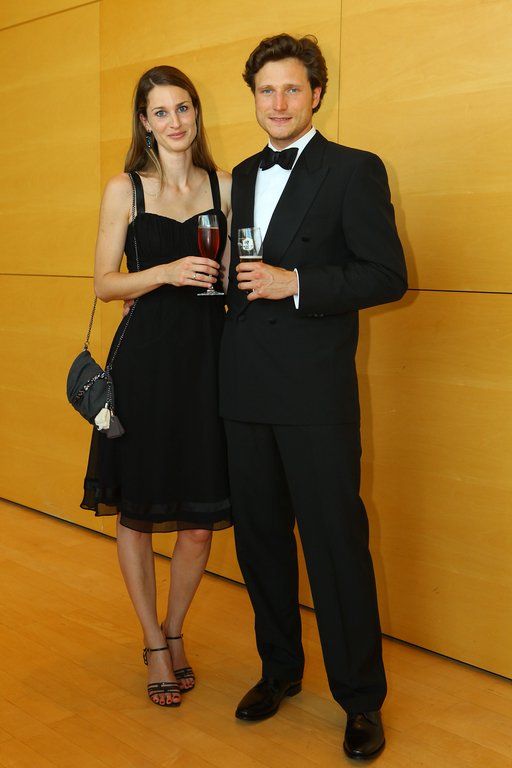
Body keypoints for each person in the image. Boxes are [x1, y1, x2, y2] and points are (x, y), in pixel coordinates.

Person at [219, 34, 407, 759]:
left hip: (315, 396)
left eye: (292, 88)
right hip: (244, 388)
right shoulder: (241, 173)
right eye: (266, 90)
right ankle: (279, 671)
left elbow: (385, 275)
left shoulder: (354, 169)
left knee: (335, 547)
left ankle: (360, 700)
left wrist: (296, 283)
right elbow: (240, 273)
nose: (278, 102)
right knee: (261, 543)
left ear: (317, 94)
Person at [81, 65, 232, 708]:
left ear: (197, 114)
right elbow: (104, 283)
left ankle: (174, 629)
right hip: (143, 364)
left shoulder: (224, 186)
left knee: (198, 522)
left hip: (208, 363)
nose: (175, 122)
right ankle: (152, 643)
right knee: (139, 512)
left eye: (183, 108)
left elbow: (232, 273)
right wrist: (165, 271)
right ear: (144, 122)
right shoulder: (126, 189)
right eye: (161, 111)